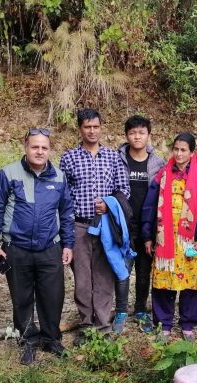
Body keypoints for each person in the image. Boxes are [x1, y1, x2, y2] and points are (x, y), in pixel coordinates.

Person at [0, 127, 75, 365]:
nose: (40, 151)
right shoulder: (8, 174)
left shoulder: (59, 177)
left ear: (50, 150)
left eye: (44, 147)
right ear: (25, 147)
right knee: (22, 298)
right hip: (17, 248)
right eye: (35, 147)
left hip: (50, 248)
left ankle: (51, 339)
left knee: (52, 296)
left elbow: (66, 213)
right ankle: (28, 341)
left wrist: (68, 244)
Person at [60, 108, 130, 343]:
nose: (92, 131)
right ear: (80, 129)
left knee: (104, 277)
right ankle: (86, 325)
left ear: (101, 128)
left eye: (96, 126)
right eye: (87, 127)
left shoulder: (113, 157)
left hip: (106, 227)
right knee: (82, 279)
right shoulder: (69, 158)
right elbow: (63, 195)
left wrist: (109, 205)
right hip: (79, 226)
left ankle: (102, 326)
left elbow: (123, 189)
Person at [141, 133, 197, 342]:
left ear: (192, 153)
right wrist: (148, 235)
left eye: (183, 150)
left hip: (190, 241)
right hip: (165, 240)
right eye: (176, 149)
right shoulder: (163, 174)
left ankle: (188, 324)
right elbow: (150, 205)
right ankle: (163, 324)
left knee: (190, 284)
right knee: (163, 282)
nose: (179, 154)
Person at [118, 115, 165, 333]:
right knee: (122, 269)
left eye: (141, 132)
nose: (137, 136)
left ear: (148, 135)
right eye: (132, 133)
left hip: (147, 227)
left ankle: (140, 309)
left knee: (144, 270)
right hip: (123, 226)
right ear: (126, 135)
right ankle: (120, 310)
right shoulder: (118, 159)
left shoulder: (158, 163)